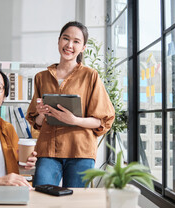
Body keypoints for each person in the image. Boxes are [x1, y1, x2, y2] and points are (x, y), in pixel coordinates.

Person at [26, 21, 115, 188]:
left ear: (83, 48)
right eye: (65, 39)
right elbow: (36, 123)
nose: (69, 45)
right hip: (47, 151)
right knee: (42, 199)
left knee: (76, 203)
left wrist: (74, 120)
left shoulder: (91, 76)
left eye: (76, 41)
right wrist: (42, 114)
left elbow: (102, 121)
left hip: (80, 151)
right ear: (59, 41)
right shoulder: (41, 77)